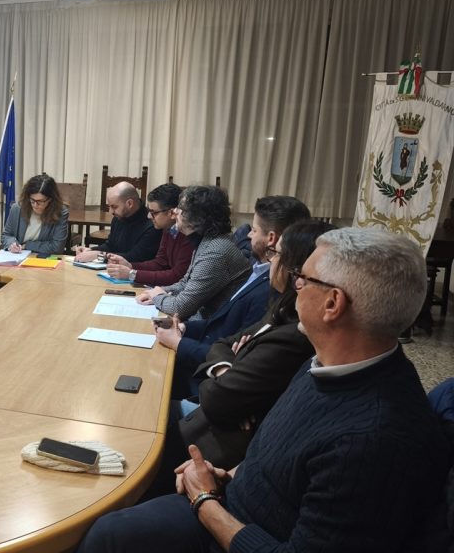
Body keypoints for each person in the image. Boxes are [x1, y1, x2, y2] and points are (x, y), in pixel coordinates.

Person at [78, 227, 450, 553]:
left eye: (303, 279)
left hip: (235, 528)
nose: (294, 286)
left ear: (332, 303)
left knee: (109, 535)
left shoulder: (371, 439)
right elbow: (283, 459)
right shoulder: (328, 362)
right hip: (233, 498)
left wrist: (204, 500)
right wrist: (225, 475)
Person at [166, 221, 333, 478]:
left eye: (276, 254)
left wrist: (231, 377)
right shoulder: (280, 308)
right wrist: (227, 369)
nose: (270, 260)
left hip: (217, 440)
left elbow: (220, 400)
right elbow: (223, 344)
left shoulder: (294, 334)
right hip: (212, 416)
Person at [155, 195, 311, 392]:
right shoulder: (259, 269)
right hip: (205, 354)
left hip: (207, 379)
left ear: (271, 239)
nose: (248, 235)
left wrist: (179, 342)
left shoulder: (273, 289)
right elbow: (222, 326)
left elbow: (236, 357)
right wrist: (185, 328)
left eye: (254, 230)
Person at [136, 186, 249, 320]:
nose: (175, 211)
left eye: (180, 208)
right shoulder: (206, 240)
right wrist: (159, 292)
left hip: (209, 325)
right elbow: (185, 283)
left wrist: (157, 296)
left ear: (197, 218)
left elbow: (180, 308)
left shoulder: (215, 251)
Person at [104, 183, 194, 286]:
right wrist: (130, 265)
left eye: (154, 212)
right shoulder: (168, 228)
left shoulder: (188, 235)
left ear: (172, 213)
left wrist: (132, 274)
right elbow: (160, 263)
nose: (149, 216)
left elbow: (177, 276)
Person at [74, 182, 160, 265]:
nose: (111, 211)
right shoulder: (119, 218)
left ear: (130, 203)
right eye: (109, 206)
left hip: (135, 272)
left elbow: (134, 258)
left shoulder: (152, 224)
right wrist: (90, 250)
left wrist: (99, 255)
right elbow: (110, 246)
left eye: (114, 207)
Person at [1, 174, 69, 255]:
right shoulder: (17, 209)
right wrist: (12, 244)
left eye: (40, 201)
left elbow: (57, 247)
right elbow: (6, 235)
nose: (35, 205)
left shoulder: (60, 213)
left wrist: (28, 245)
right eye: (32, 200)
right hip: (18, 256)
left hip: (42, 257)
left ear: (50, 199)